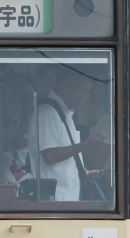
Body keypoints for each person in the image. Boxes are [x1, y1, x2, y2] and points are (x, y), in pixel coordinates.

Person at [36, 67, 107, 202]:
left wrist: (82, 171)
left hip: (67, 198)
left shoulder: (64, 112)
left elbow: (65, 159)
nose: (82, 98)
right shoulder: (48, 113)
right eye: (80, 90)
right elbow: (49, 156)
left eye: (86, 94)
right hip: (55, 199)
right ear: (64, 85)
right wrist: (87, 144)